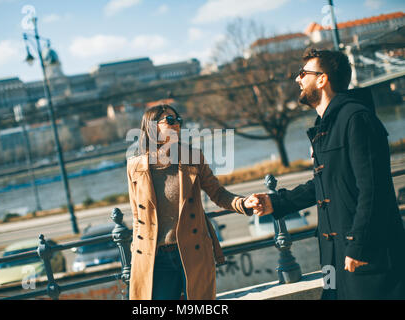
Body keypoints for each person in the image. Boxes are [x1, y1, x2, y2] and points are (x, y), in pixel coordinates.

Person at [247, 48, 405, 300]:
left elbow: (374, 189)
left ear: (322, 79)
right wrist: (275, 203)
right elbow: (326, 183)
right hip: (334, 260)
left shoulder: (357, 119)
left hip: (365, 258)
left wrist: (359, 245)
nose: (298, 79)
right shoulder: (327, 127)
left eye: (303, 73)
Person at [126, 104, 254, 300]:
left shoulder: (192, 157)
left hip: (191, 251)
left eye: (178, 120)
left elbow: (218, 193)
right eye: (169, 120)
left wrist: (243, 203)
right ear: (152, 127)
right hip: (155, 257)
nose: (176, 124)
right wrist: (136, 251)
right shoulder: (134, 167)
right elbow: (137, 215)